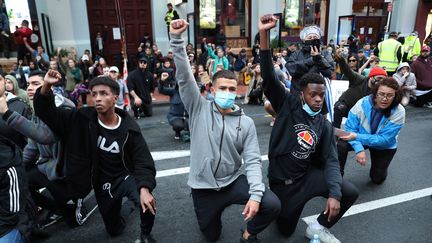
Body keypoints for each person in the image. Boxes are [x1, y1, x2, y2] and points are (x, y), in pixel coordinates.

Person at [170, 19, 281, 243]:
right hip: (203, 187)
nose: (228, 93)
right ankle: (213, 217)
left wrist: (256, 196)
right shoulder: (198, 108)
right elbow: (184, 76)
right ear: (212, 89)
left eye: (232, 89)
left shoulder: (246, 123)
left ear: (237, 91)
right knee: (211, 235)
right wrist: (176, 40)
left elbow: (252, 162)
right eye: (222, 88)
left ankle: (249, 233)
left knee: (272, 204)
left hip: (232, 182)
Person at [259, 15, 358, 243]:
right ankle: (282, 211)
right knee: (285, 230)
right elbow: (268, 77)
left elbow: (331, 160)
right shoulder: (288, 107)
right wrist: (264, 35)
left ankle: (318, 227)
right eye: (312, 94)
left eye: (321, 95)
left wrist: (334, 194)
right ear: (301, 94)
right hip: (284, 184)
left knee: (347, 191)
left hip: (308, 177)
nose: (317, 99)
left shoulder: (323, 123)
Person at [34, 72, 157, 243]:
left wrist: (144, 188)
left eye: (103, 94)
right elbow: (46, 113)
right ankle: (130, 206)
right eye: (94, 94)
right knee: (114, 230)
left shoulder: (129, 128)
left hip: (125, 177)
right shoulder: (81, 118)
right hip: (102, 183)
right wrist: (46, 85)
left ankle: (145, 234)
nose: (97, 98)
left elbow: (143, 160)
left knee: (147, 199)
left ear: (115, 98)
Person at [1, 70, 86, 228]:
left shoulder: (64, 110)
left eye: (36, 84)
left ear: (49, 88)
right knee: (22, 180)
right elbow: (32, 147)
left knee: (73, 222)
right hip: (48, 168)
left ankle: (72, 202)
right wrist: (19, 166)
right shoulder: (36, 111)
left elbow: (45, 136)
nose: (30, 88)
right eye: (28, 85)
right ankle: (58, 208)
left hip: (68, 171)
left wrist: (7, 113)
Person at [337, 78, 405, 184]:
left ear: (395, 96)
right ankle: (336, 178)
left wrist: (357, 137)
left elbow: (384, 140)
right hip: (362, 137)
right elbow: (350, 129)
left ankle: (380, 169)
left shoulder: (399, 111)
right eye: (381, 94)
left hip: (383, 145)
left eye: (389, 95)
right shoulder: (362, 103)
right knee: (341, 144)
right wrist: (359, 149)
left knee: (377, 179)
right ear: (375, 93)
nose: (384, 99)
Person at [0, 71, 32, 243]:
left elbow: (33, 138)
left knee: (17, 212)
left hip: (13, 164)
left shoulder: (17, 105)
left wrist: (5, 112)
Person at [333, 47, 388, 128]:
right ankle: (335, 132)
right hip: (346, 106)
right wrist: (341, 59)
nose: (380, 82)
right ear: (371, 77)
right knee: (340, 108)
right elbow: (347, 70)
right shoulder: (359, 79)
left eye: (383, 80)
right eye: (379, 78)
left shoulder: (379, 90)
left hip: (361, 112)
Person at [285, 25, 333, 96]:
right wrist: (311, 60)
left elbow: (329, 73)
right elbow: (291, 68)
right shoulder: (296, 53)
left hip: (318, 94)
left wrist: (318, 58)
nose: (312, 39)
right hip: (298, 93)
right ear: (304, 40)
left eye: (315, 37)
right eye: (310, 37)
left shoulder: (325, 53)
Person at [158, 72, 190, 141]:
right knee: (178, 125)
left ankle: (190, 131)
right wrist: (162, 81)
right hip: (175, 116)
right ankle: (177, 132)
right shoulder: (173, 91)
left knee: (194, 125)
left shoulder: (190, 92)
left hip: (188, 116)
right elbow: (161, 90)